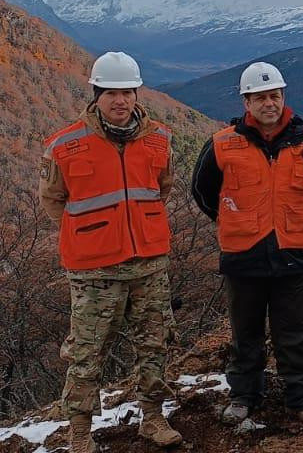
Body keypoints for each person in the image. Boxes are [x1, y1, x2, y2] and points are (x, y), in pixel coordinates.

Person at [40, 52, 182, 452]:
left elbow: (162, 189)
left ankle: (153, 419)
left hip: (149, 264)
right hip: (94, 271)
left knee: (154, 344)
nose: (120, 101)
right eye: (111, 93)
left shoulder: (160, 138)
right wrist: (93, 236)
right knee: (86, 354)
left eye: (127, 92)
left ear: (137, 93)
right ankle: (80, 434)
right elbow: (53, 201)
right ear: (96, 94)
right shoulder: (65, 146)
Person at [191, 62, 303, 426]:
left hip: (290, 252)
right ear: (246, 101)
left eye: (275, 96)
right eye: (260, 97)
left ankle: (302, 399)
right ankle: (243, 396)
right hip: (243, 255)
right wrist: (233, 221)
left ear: (283, 97)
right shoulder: (223, 144)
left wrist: (290, 221)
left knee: (296, 333)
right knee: (245, 334)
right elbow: (203, 191)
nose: (269, 103)